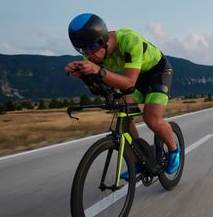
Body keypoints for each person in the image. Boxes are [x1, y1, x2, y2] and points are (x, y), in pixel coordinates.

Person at [64, 13, 180, 177]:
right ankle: (139, 158)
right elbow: (100, 88)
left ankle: (174, 150)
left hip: (157, 72)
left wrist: (98, 70)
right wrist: (83, 75)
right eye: (83, 50)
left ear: (103, 39)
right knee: (122, 108)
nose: (89, 54)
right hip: (135, 75)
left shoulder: (129, 40)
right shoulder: (92, 53)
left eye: (91, 48)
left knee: (151, 118)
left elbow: (128, 82)